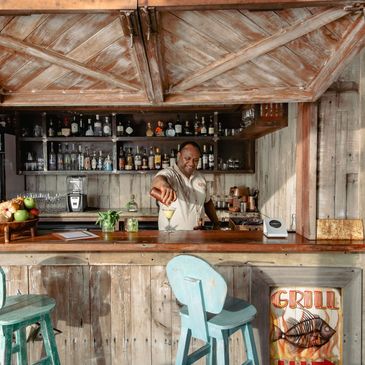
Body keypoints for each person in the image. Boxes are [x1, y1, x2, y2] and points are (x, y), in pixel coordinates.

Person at [151, 141, 220, 230]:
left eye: (196, 160)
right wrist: (164, 185)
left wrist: (216, 223)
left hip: (198, 237)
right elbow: (159, 179)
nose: (191, 163)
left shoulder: (200, 177)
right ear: (179, 155)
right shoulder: (169, 173)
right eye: (187, 158)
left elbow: (207, 202)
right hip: (172, 238)